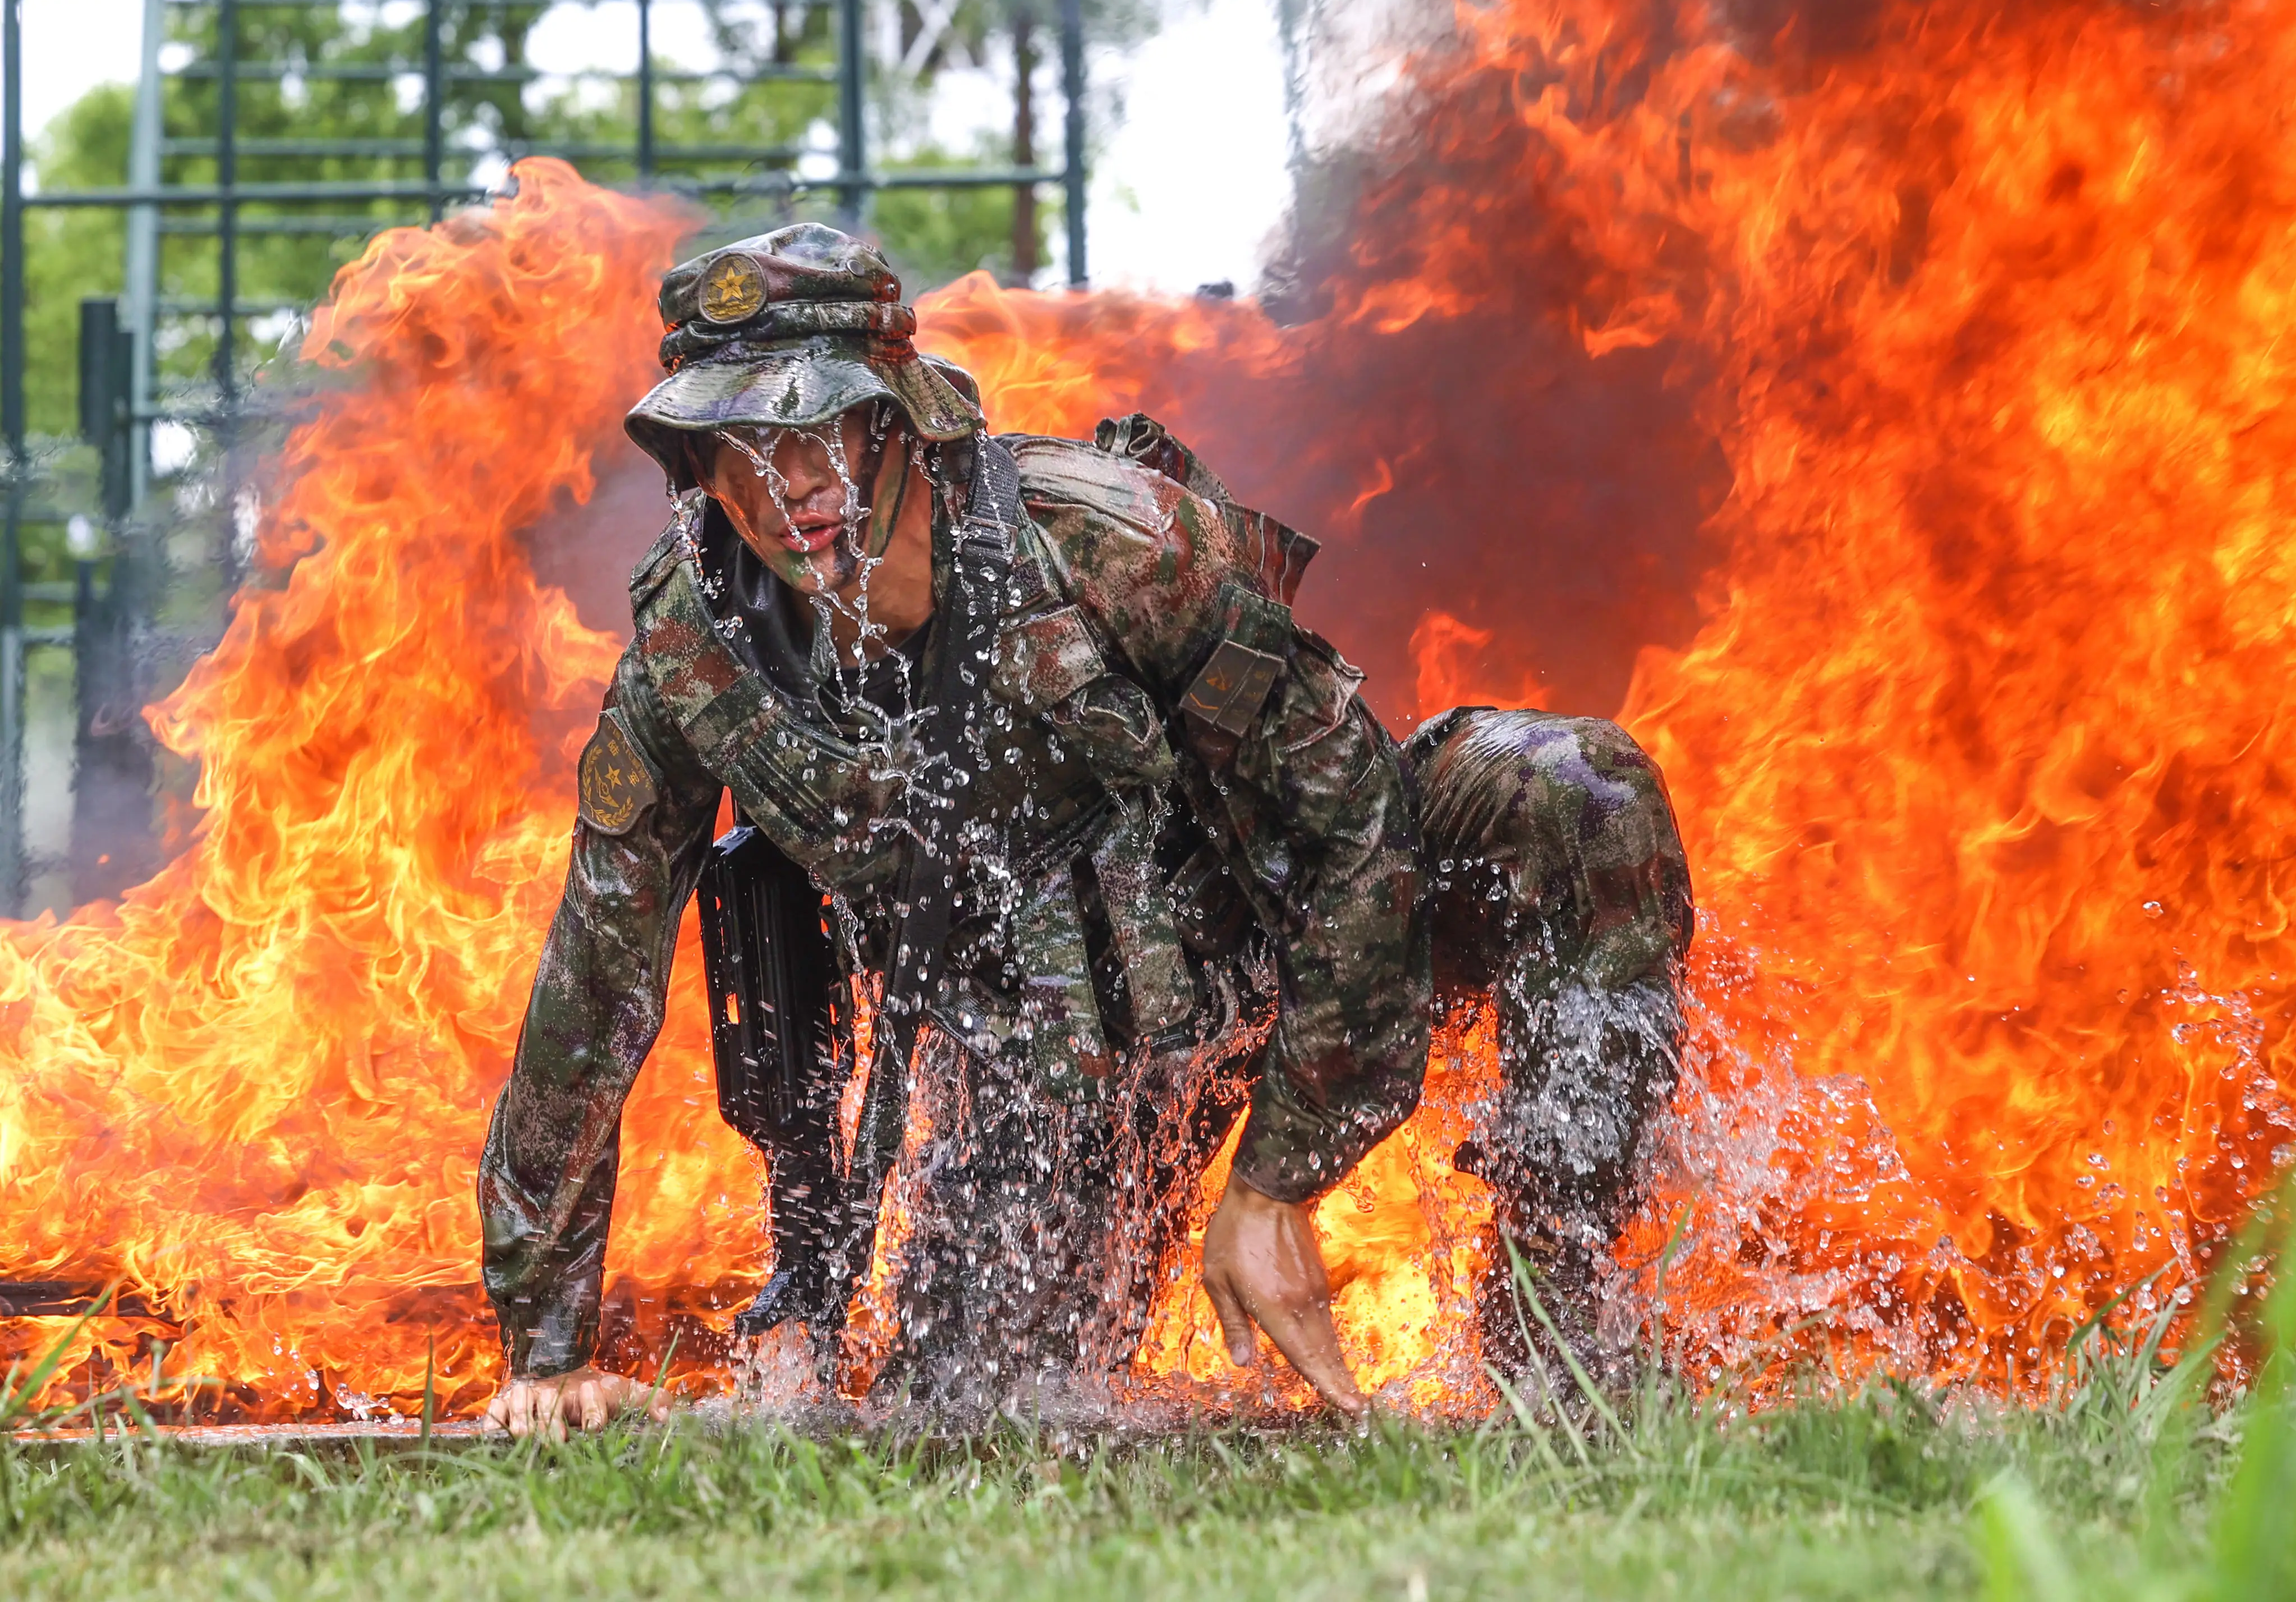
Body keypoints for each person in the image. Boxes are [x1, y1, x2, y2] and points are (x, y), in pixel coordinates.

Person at [478, 224, 1694, 1439]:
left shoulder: (1108, 542)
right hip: (1062, 1083)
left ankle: (1556, 1335)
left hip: (1285, 941)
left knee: (1578, 793)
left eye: (814, 429)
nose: (779, 482)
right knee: (974, 1427)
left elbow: (1353, 832)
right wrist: (545, 1342)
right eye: (732, 445)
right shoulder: (695, 651)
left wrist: (1277, 1177)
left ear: (893, 416)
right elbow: (596, 978)